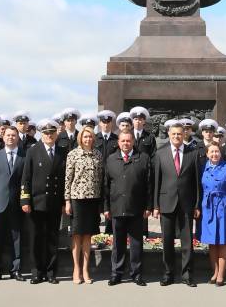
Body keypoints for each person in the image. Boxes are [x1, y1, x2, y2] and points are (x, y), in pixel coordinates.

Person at [153, 122, 201, 287]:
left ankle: (187, 275)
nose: (176, 137)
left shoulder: (193, 153)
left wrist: (196, 205)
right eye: (173, 134)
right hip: (166, 202)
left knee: (187, 241)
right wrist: (155, 206)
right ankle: (168, 274)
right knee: (167, 241)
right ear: (169, 134)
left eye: (179, 134)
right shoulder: (160, 153)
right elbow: (156, 181)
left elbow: (196, 182)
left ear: (184, 134)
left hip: (187, 204)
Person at [21, 118, 67, 285]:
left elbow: (64, 180)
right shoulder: (33, 151)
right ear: (42, 134)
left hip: (54, 202)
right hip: (36, 202)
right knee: (36, 239)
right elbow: (26, 178)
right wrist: (25, 200)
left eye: (52, 132)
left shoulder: (63, 152)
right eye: (46, 133)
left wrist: (64, 201)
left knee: (52, 239)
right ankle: (37, 271)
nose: (49, 135)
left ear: (56, 134)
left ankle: (50, 272)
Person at [103, 131, 152, 286]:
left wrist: (148, 207)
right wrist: (106, 207)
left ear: (133, 142)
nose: (125, 143)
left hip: (136, 208)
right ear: (118, 142)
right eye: (123, 141)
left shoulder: (143, 158)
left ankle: (136, 274)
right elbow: (105, 186)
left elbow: (149, 186)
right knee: (118, 243)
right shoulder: (111, 159)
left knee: (136, 243)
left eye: (128, 141)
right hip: (117, 208)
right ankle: (116, 273)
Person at [0, 125, 26, 282]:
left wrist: (25, 201)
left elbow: (25, 182)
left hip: (16, 204)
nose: (10, 137)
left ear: (17, 137)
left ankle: (16, 270)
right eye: (8, 135)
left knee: (17, 238)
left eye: (13, 135)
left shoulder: (24, 156)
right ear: (3, 137)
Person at [64, 125, 104, 284]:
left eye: (90, 137)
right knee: (77, 235)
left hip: (93, 199)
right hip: (77, 199)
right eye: (85, 136)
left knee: (88, 235)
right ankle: (76, 269)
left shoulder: (98, 154)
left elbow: (100, 178)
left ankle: (86, 269)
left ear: (93, 139)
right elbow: (68, 179)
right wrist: (67, 201)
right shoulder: (73, 155)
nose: (88, 139)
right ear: (80, 138)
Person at [200, 143, 226, 286]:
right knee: (212, 242)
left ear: (221, 153)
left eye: (217, 151)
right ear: (207, 154)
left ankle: (221, 274)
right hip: (208, 209)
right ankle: (215, 272)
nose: (214, 154)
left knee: (223, 242)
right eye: (211, 152)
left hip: (224, 209)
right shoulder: (203, 168)